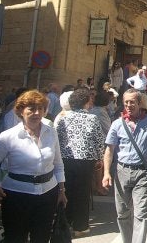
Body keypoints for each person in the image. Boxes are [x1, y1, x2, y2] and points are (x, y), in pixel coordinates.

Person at [0, 90, 67, 243]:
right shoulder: (8, 137)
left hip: (47, 194)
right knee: (16, 237)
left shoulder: (51, 132)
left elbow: (58, 164)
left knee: (41, 237)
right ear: (20, 110)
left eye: (41, 108)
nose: (37, 113)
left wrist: (61, 191)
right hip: (16, 196)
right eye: (31, 109)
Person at [102, 89, 147, 243]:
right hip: (122, 171)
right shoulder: (117, 124)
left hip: (142, 173)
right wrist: (106, 173)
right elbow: (109, 149)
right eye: (126, 102)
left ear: (139, 103)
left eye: (132, 102)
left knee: (141, 215)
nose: (129, 105)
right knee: (122, 213)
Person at [55, 88, 105, 236]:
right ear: (85, 102)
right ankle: (80, 226)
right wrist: (99, 158)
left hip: (66, 159)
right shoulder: (92, 118)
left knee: (67, 190)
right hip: (85, 160)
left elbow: (58, 138)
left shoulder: (63, 118)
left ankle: (66, 221)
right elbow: (98, 140)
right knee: (82, 193)